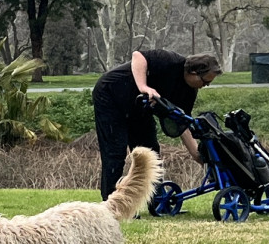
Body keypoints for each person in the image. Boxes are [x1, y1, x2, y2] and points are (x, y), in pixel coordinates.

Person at [90, 48, 222, 200]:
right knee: (115, 151)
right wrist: (143, 87)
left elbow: (182, 123)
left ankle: (156, 199)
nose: (206, 85)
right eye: (205, 81)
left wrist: (197, 156)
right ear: (193, 72)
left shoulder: (189, 92)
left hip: (139, 108)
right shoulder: (170, 60)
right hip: (111, 95)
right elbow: (138, 56)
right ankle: (111, 202)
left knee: (150, 151)